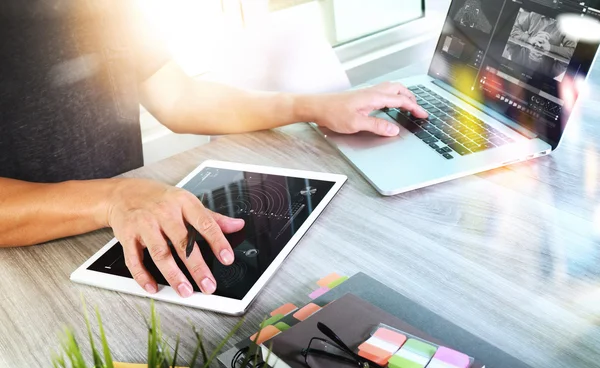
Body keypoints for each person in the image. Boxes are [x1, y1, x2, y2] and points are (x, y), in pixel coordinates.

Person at [0, 1, 427, 298]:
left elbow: (179, 97)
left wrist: (311, 106)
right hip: (23, 272)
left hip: (129, 235)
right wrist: (114, 197)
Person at [505, 9, 577, 80]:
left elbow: (573, 52)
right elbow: (512, 29)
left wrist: (549, 47)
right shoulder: (549, 75)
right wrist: (530, 39)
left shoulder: (516, 62)